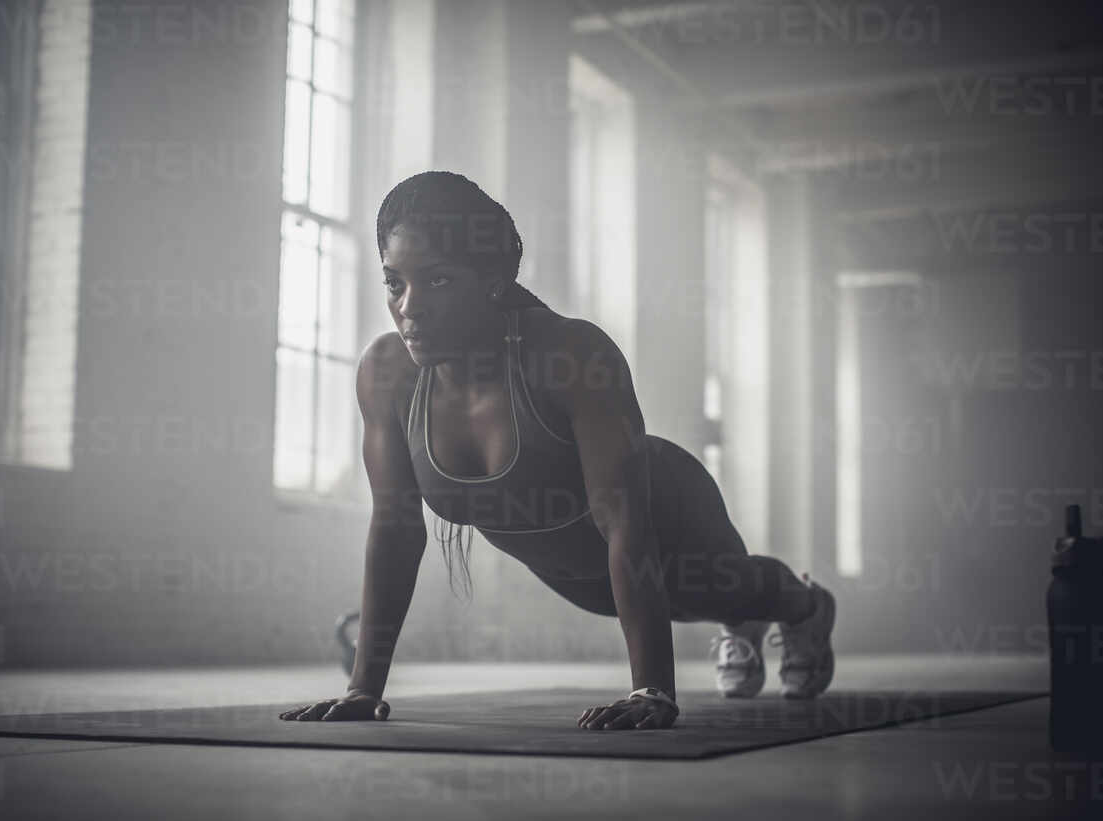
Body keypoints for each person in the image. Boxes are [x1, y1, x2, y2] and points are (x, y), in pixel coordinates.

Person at [279, 171, 835, 731]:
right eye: (394, 283)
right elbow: (397, 530)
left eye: (439, 280)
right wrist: (362, 690)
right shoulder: (386, 373)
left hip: (667, 510)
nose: (409, 308)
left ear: (492, 279)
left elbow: (625, 527)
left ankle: (805, 607)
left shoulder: (569, 354)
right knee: (623, 601)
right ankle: (741, 625)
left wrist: (653, 692)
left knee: (722, 590)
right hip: (582, 577)